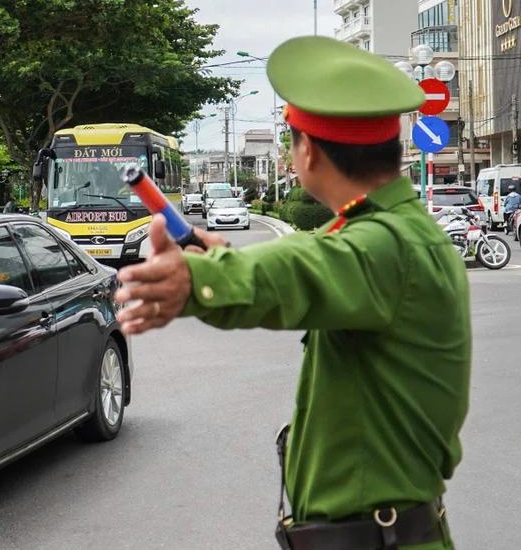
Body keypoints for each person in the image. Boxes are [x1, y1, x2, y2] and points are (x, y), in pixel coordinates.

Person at [115, 36, 469, 550]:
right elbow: (317, 260)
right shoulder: (401, 232)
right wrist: (216, 258)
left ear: (308, 150)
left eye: (291, 140)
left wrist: (198, 281)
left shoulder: (387, 245)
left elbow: (300, 270)